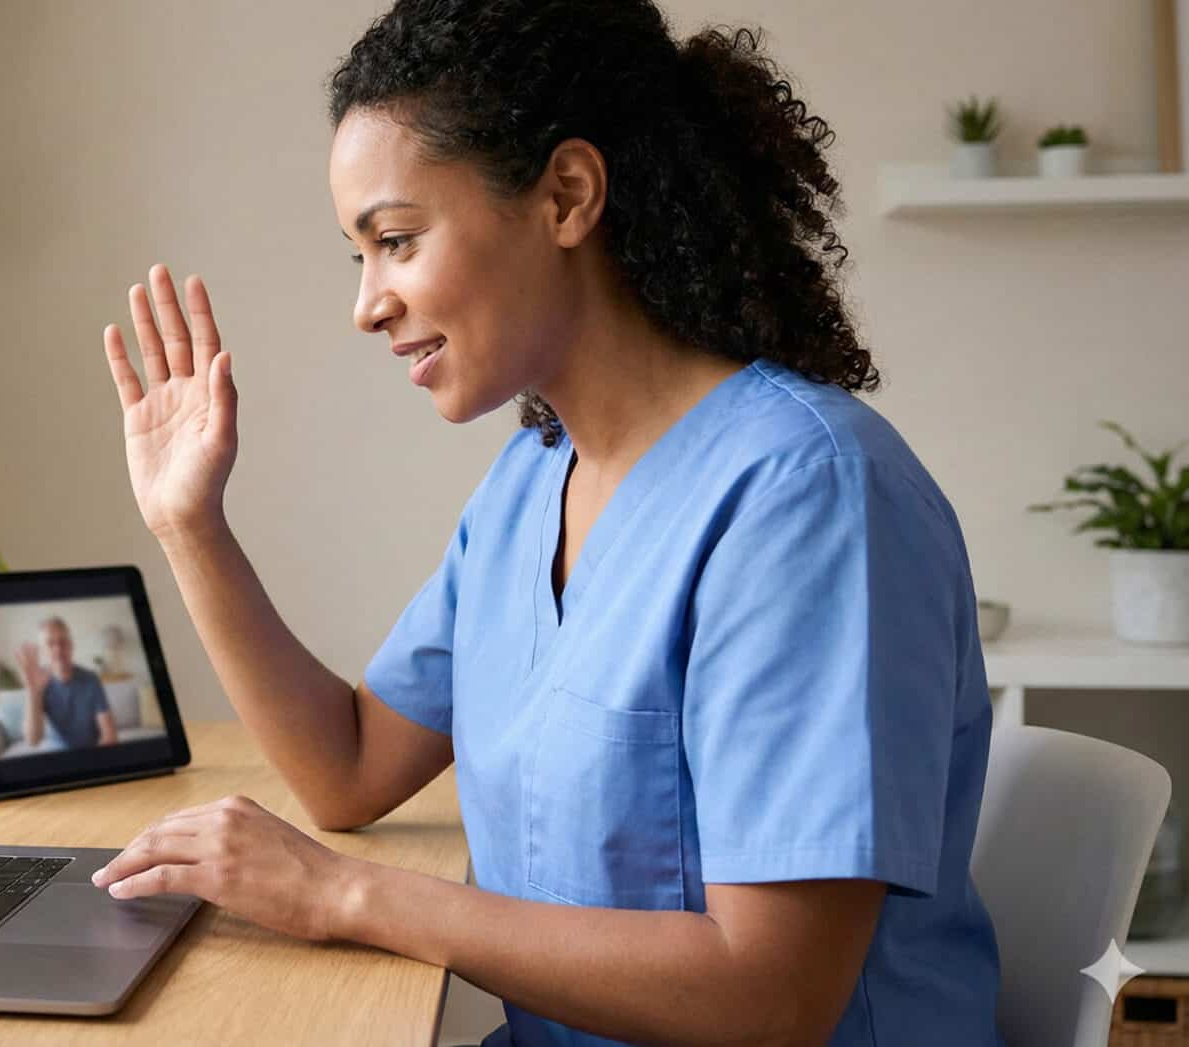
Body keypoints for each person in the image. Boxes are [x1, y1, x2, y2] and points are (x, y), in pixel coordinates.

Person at [86, 2, 1003, 1044]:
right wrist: (191, 525)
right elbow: (347, 769)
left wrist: (345, 894)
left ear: (567, 195)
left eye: (396, 241)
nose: (368, 304)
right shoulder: (529, 484)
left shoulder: (808, 495)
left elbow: (772, 997)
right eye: (360, 256)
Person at [16, 617, 119, 748]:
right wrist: (33, 691)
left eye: (63, 642)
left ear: (71, 645)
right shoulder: (39, 681)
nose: (58, 649)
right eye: (50, 643)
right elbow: (33, 740)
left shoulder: (91, 679)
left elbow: (109, 733)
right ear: (43, 651)